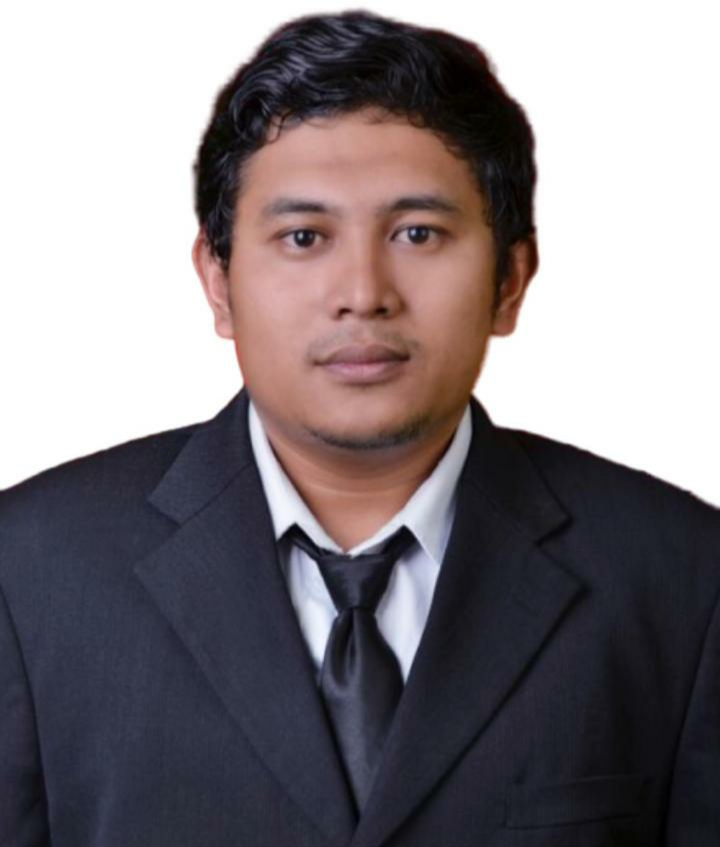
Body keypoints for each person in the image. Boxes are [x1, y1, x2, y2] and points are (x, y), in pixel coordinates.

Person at [1, 9, 718, 846]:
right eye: (304, 236)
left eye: (418, 233)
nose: (363, 293)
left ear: (510, 280)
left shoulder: (684, 577)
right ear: (219, 282)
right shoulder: (28, 571)